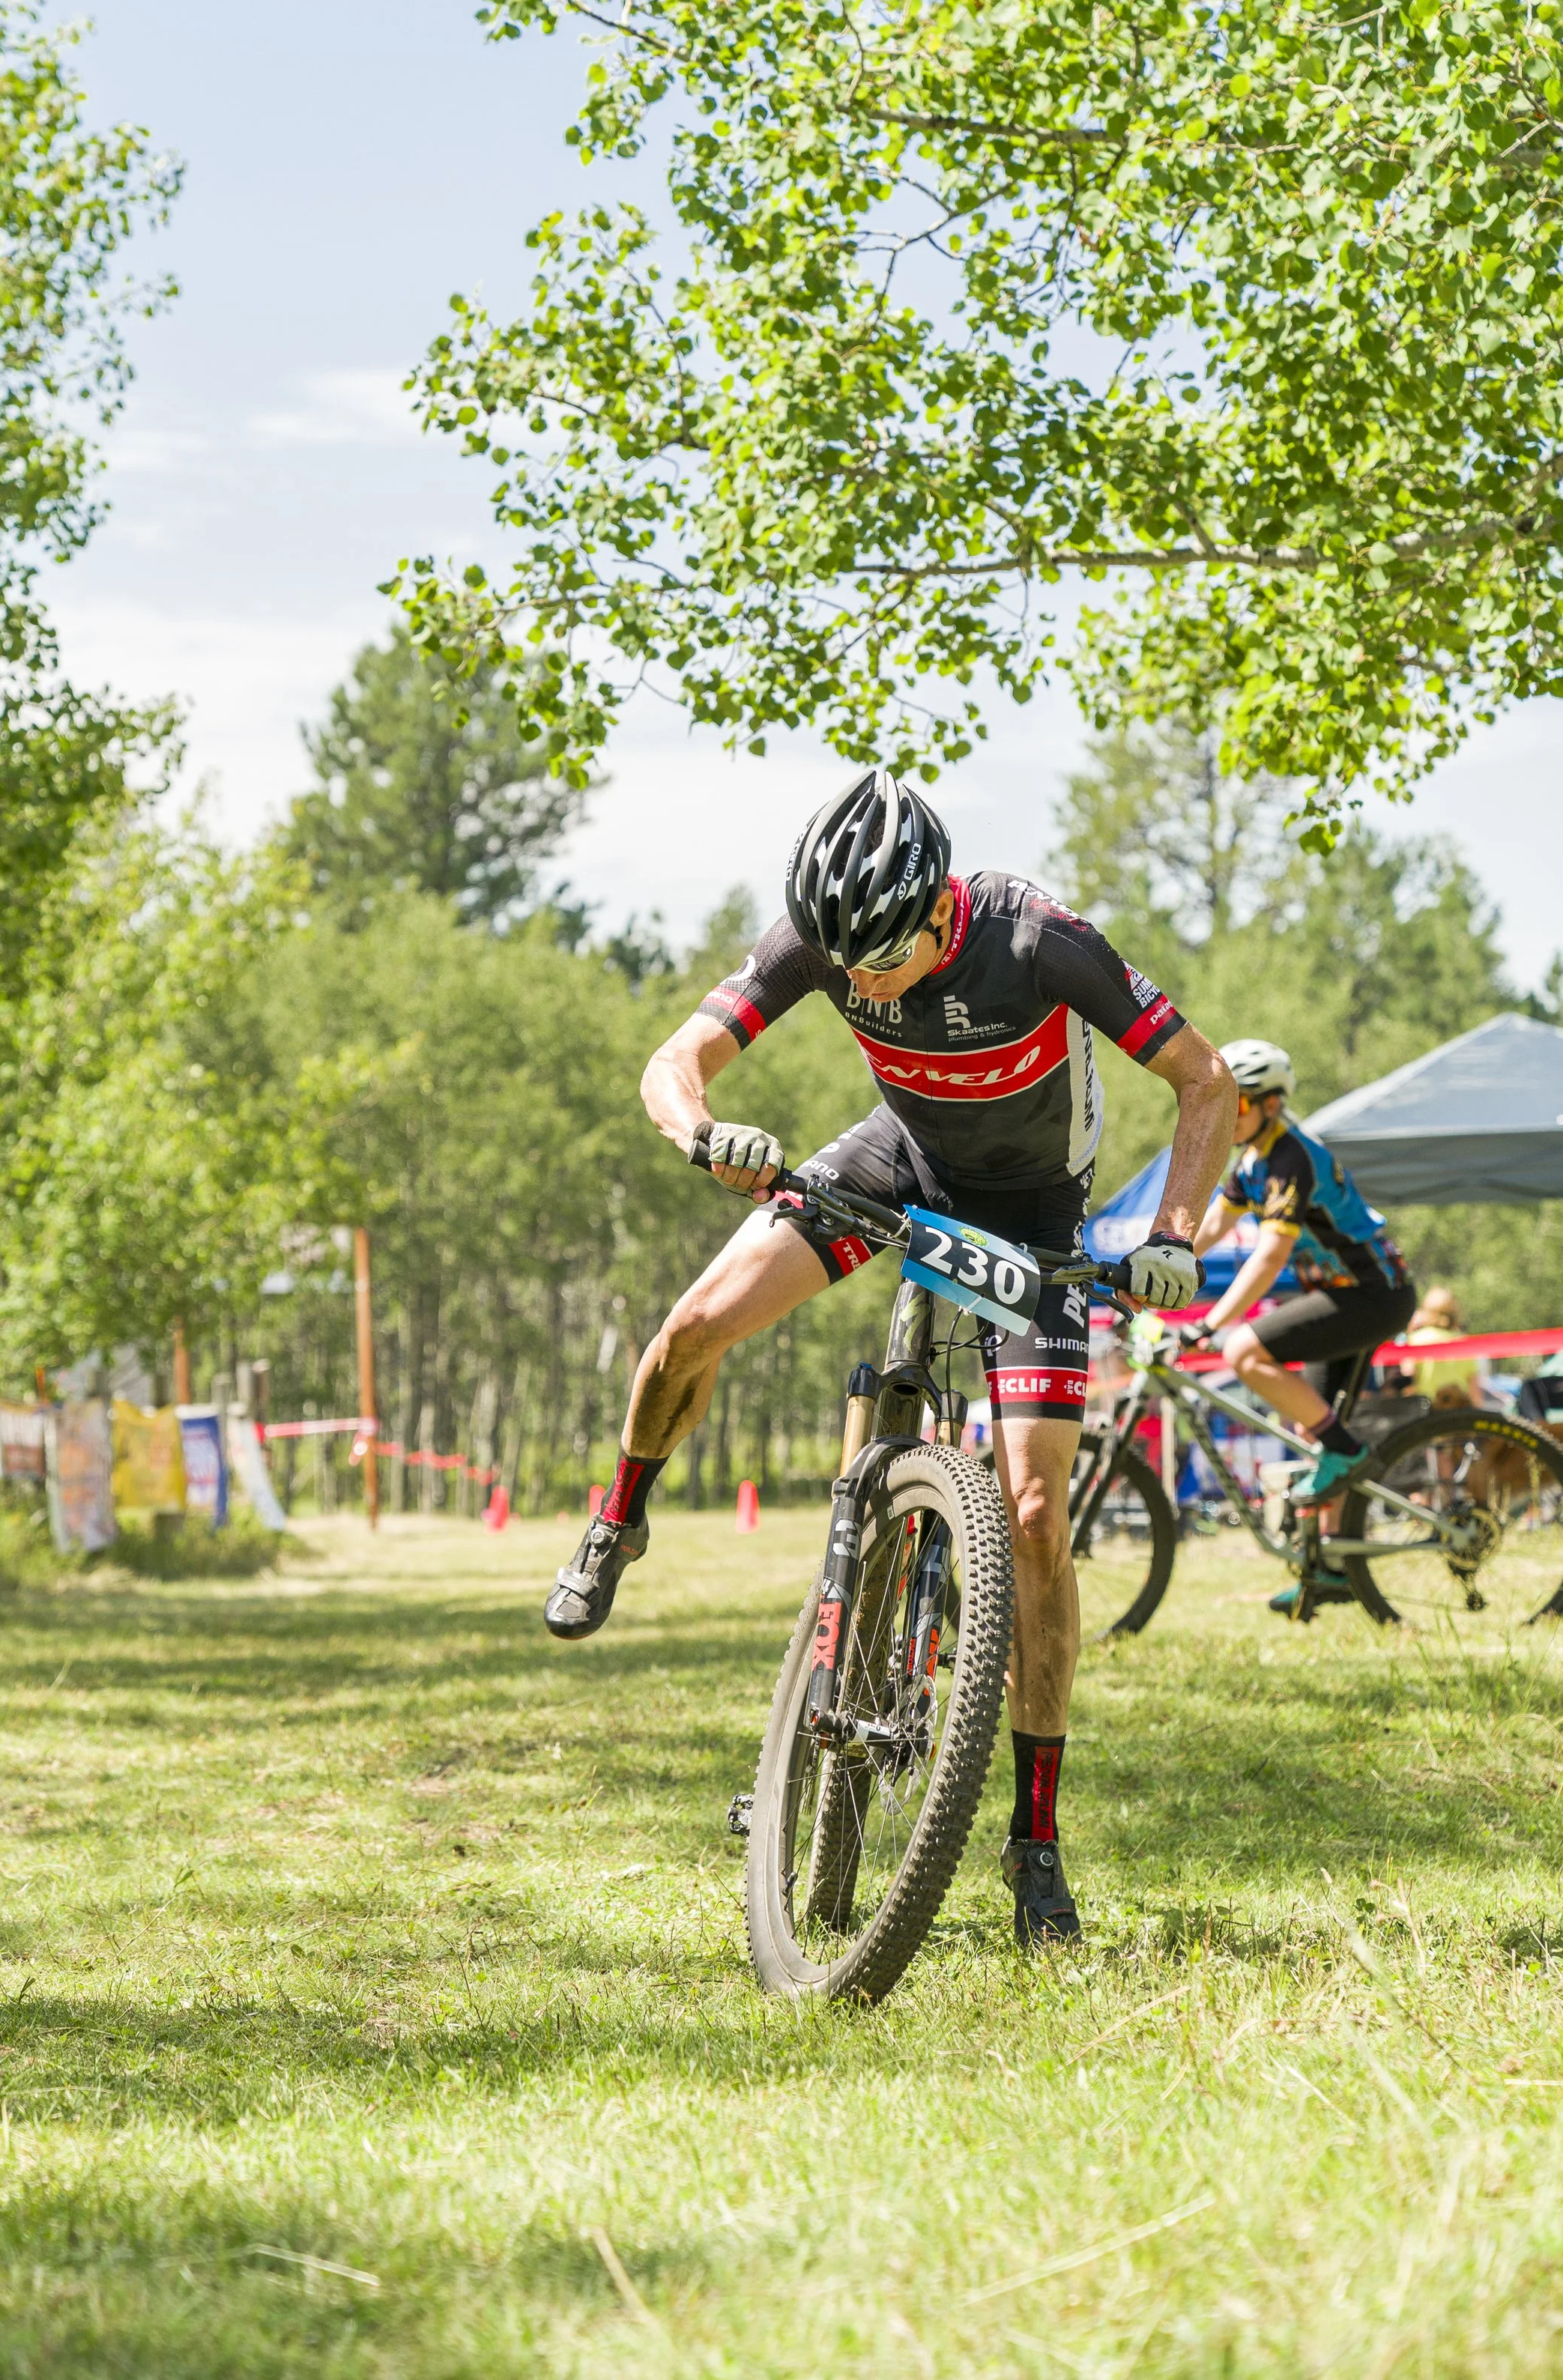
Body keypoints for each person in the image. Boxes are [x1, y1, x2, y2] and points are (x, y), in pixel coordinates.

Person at [542, 769, 1236, 1949]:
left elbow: (1205, 1083)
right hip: (896, 1162)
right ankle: (621, 1516)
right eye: (842, 966)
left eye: (881, 961)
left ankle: (1036, 1840)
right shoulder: (821, 936)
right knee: (690, 1327)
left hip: (1034, 1213)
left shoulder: (1041, 940)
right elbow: (674, 1062)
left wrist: (1173, 1237)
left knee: (1031, 1518)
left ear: (937, 911)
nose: (860, 985)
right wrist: (705, 1131)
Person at [1189, 1040, 1416, 1612]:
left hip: (1375, 1294)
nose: (1229, 1115)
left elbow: (1268, 1258)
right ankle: (1331, 1572)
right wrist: (1158, 1261)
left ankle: (1346, 1459)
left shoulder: (1291, 1157)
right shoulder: (1254, 1160)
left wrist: (1212, 1322)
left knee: (1244, 1351)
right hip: (1347, 1295)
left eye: (1238, 1105)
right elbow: (1216, 1221)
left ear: (1270, 1105)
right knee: (1320, 1430)